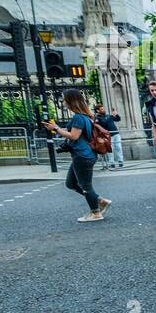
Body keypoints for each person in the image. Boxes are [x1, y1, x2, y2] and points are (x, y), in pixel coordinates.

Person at [44, 88, 110, 222]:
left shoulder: (79, 117)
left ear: (71, 101)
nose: (62, 102)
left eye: (64, 100)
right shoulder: (84, 117)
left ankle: (96, 212)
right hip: (82, 155)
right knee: (70, 183)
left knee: (85, 185)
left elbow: (74, 136)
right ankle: (100, 201)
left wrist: (56, 129)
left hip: (83, 156)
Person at [93, 103, 123, 170]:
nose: (103, 110)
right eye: (102, 109)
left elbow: (118, 119)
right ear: (98, 110)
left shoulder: (108, 115)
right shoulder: (97, 118)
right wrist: (111, 116)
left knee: (118, 147)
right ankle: (112, 163)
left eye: (103, 109)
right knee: (110, 149)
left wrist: (116, 114)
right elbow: (104, 123)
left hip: (116, 133)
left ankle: (121, 162)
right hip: (107, 136)